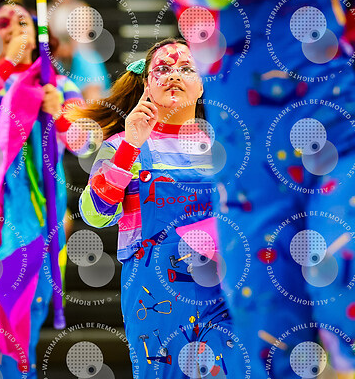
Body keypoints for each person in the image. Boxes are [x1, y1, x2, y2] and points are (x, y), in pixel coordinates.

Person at [162, 0, 355, 378]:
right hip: (250, 177)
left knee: (352, 279)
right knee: (271, 337)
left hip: (340, 135)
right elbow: (208, 0)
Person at [73, 38, 243, 378]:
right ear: (146, 84)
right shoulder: (122, 146)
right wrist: (131, 146)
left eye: (187, 68)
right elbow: (95, 214)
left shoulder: (225, 147)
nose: (174, 75)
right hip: (154, 299)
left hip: (221, 291)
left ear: (202, 85)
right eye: (162, 69)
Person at [0, 2, 82, 378]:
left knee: (30, 310)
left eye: (22, 21)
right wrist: (8, 64)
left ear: (38, 36)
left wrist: (60, 114)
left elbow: (84, 142)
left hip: (39, 208)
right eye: (2, 23)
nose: (12, 28)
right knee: (2, 293)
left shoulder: (59, 86)